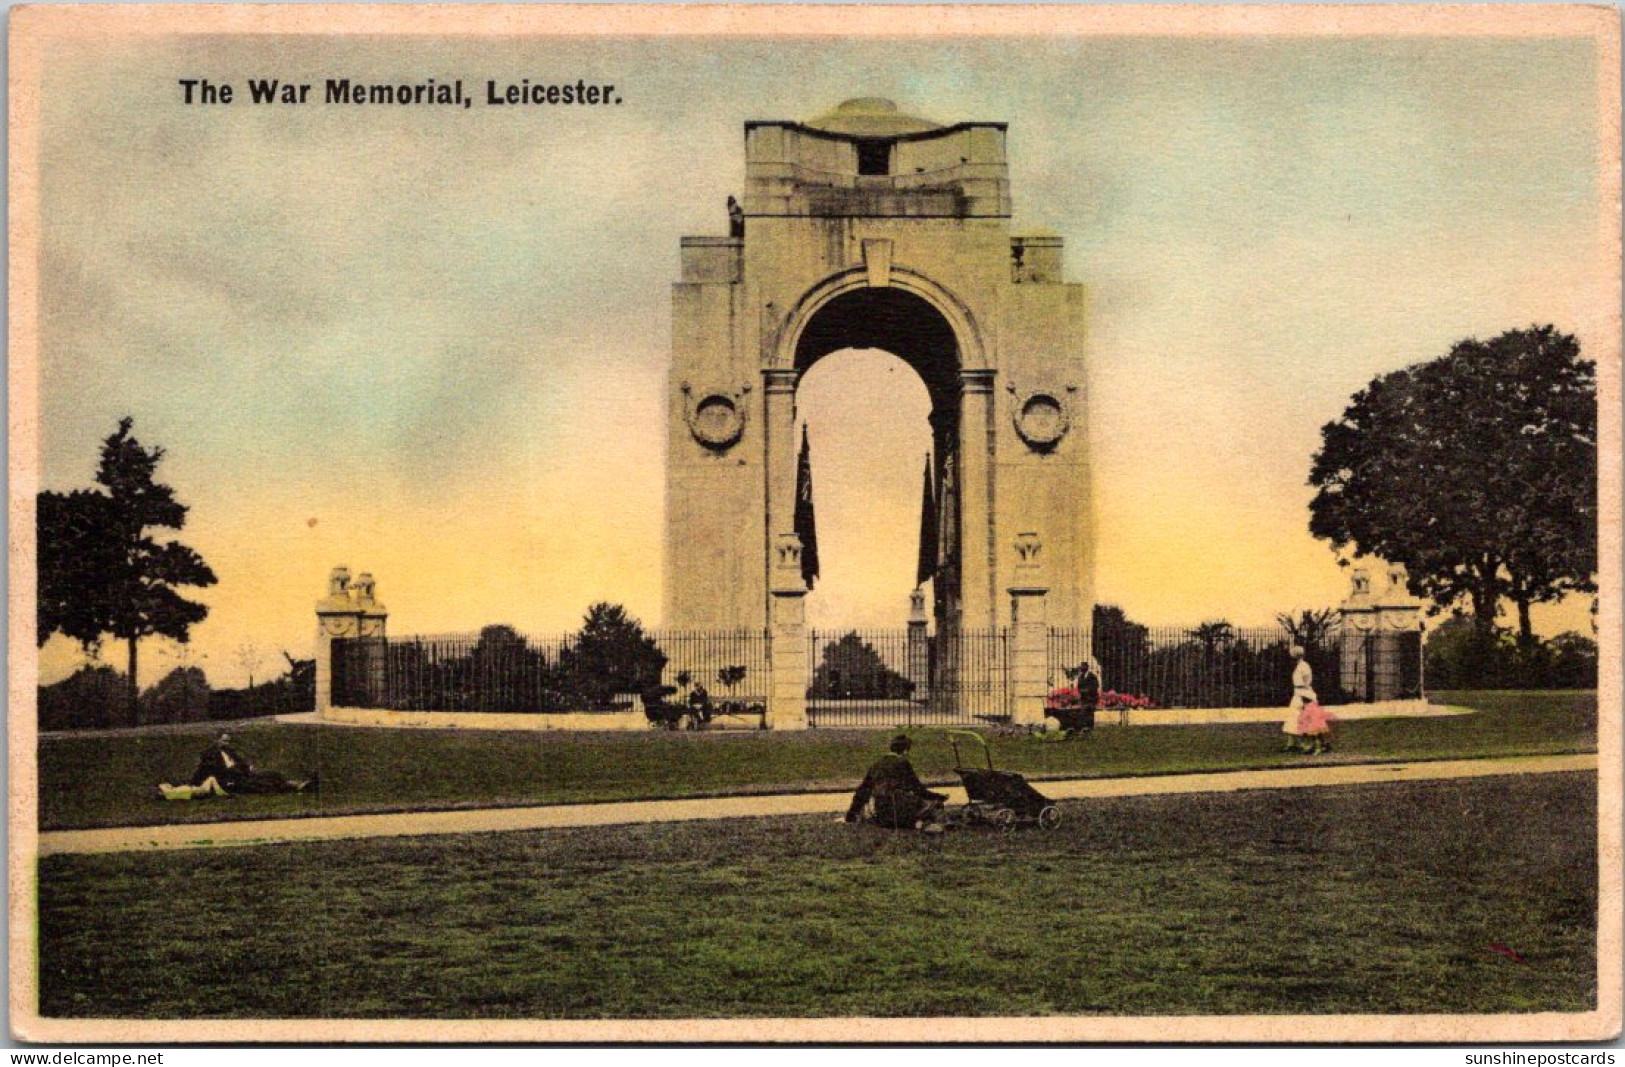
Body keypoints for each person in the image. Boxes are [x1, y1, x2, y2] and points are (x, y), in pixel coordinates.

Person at [158, 732, 315, 800]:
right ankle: (296, 788)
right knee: (260, 784)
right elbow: (201, 772)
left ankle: (299, 784)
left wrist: (248, 768)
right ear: (216, 740)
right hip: (228, 782)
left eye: (228, 741)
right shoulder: (210, 755)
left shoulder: (230, 751)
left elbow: (242, 764)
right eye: (224, 741)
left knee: (272, 774)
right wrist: (188, 784)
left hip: (241, 776)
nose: (226, 743)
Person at [844, 734, 947, 832]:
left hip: (882, 813)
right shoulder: (902, 763)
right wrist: (938, 797)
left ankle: (919, 824)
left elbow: (862, 791)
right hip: (901, 808)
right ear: (905, 751)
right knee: (936, 806)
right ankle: (940, 825)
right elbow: (918, 789)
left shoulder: (876, 765)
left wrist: (851, 814)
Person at [1282, 646, 1316, 754]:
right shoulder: (1300, 666)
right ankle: (1291, 744)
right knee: (1292, 719)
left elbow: (1303, 683)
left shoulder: (1303, 666)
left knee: (1299, 720)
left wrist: (1304, 699)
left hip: (1302, 695)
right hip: (1299, 694)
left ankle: (1305, 745)